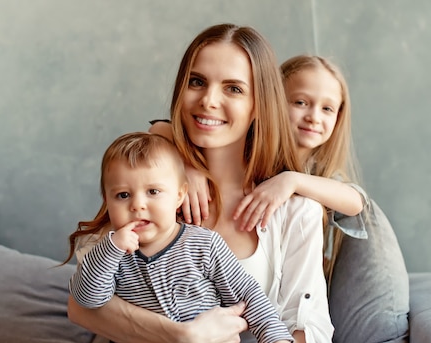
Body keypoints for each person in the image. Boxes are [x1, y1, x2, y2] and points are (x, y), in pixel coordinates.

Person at [68, 24, 334, 343]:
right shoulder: (146, 192)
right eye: (197, 82)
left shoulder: (296, 213)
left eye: (234, 89)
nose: (208, 100)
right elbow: (82, 306)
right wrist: (181, 338)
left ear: (260, 105)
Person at [66, 132, 296, 343]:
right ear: (108, 201)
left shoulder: (204, 245)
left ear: (179, 195)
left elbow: (247, 292)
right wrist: (111, 249)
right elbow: (88, 298)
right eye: (123, 195)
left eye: (153, 191)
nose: (137, 205)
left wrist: (273, 333)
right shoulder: (112, 256)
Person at [156, 54, 369, 282]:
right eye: (300, 102)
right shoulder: (246, 147)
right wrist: (186, 163)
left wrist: (292, 180)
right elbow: (160, 128)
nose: (314, 117)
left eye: (327, 109)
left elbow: (355, 203)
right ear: (270, 102)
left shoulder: (318, 173)